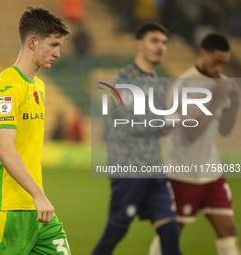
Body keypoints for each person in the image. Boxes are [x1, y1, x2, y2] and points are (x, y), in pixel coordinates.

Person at [0, 6, 71, 255]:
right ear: (32, 42)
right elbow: (5, 149)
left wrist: (37, 198)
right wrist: (38, 194)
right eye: (53, 45)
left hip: (37, 211)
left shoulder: (38, 86)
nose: (58, 53)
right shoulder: (6, 87)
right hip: (7, 210)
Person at [92, 22, 182, 255]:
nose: (161, 46)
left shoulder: (159, 82)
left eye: (164, 42)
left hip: (154, 169)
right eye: (154, 41)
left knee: (170, 234)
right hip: (129, 169)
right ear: (139, 45)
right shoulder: (125, 78)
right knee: (115, 232)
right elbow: (132, 122)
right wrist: (171, 120)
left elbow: (157, 126)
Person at [150, 33, 240, 255]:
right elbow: (191, 134)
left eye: (224, 63)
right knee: (173, 231)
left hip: (211, 169)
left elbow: (225, 129)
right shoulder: (185, 85)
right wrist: (218, 99)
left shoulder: (220, 83)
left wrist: (234, 102)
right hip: (183, 171)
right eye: (216, 61)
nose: (219, 67)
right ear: (202, 53)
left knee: (228, 229)